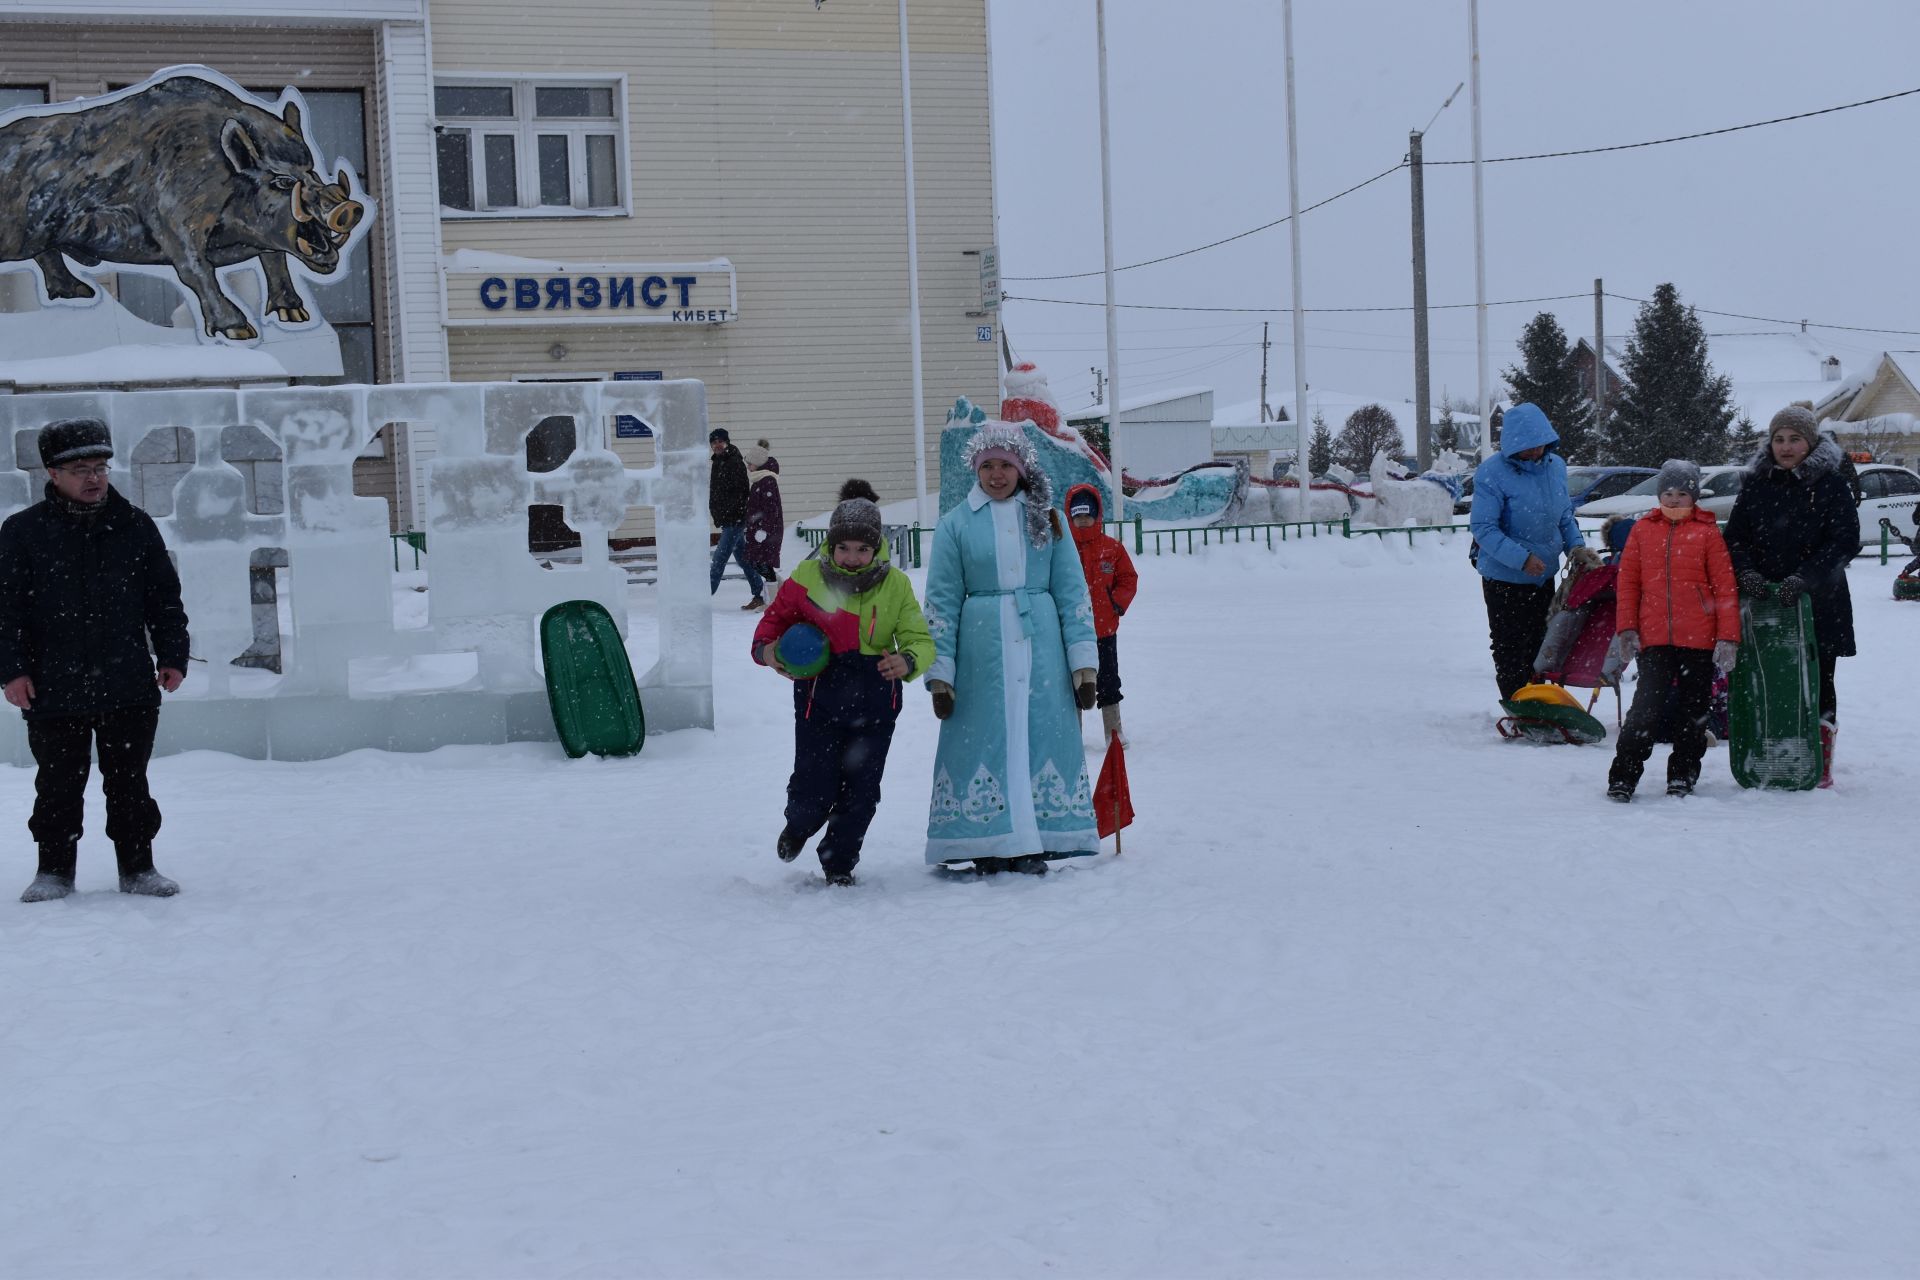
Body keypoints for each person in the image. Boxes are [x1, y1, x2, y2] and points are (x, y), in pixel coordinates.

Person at [0, 418, 191, 902]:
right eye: (81, 468)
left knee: (129, 784)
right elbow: (7, 610)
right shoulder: (23, 532)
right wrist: (12, 670)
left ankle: (138, 867)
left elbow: (164, 599)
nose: (94, 478)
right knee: (58, 786)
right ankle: (54, 872)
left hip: (127, 682)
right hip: (53, 685)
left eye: (101, 467)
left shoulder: (134, 525)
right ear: (52, 473)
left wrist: (172, 655)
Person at [922, 425, 1100, 875]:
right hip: (982, 654)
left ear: (1021, 469)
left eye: (1005, 465)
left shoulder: (1048, 520)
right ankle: (989, 839)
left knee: (1041, 733)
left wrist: (1084, 665)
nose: (997, 475)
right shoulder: (956, 524)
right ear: (975, 470)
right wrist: (941, 672)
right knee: (985, 739)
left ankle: (1037, 838)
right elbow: (940, 600)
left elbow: (1072, 591)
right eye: (988, 466)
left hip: (1042, 649)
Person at [751, 495, 932, 886]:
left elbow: (919, 638)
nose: (852, 557)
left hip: (876, 702)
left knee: (863, 792)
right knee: (814, 783)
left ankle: (838, 861)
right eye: (843, 548)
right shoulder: (807, 578)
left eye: (863, 548)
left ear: (877, 547)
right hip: (821, 698)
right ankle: (799, 825)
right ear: (831, 546)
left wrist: (909, 660)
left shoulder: (896, 584)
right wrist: (766, 650)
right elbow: (773, 622)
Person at [1723, 405, 1861, 787]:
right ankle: (1772, 747)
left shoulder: (1830, 484)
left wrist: (1807, 577)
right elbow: (1735, 537)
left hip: (1819, 600)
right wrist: (1746, 571)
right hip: (1766, 601)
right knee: (1768, 676)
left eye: (1794, 439)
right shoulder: (1756, 484)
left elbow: (1845, 540)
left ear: (1810, 441)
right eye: (1779, 439)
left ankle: (1819, 757)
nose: (1785, 447)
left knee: (1818, 677)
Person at [1605, 460, 1740, 801]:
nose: (1675, 499)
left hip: (1698, 640)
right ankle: (1624, 775)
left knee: (1693, 711)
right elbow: (1629, 585)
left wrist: (1727, 637)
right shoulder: (1642, 530)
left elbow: (1725, 588)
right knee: (1644, 710)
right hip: (1654, 640)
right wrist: (1626, 629)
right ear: (1659, 495)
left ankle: (1683, 773)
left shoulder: (1708, 533)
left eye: (1682, 493)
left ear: (1694, 496)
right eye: (1668, 493)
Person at [1468, 402, 1603, 702]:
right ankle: (1518, 702)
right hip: (1504, 578)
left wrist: (1577, 548)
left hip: (1544, 576)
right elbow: (1483, 527)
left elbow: (1565, 516)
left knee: (1542, 643)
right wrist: (1522, 559)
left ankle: (1541, 700)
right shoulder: (1492, 472)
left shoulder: (1556, 467)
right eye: (1527, 448)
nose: (1534, 453)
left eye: (1539, 446)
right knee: (1510, 644)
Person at [1064, 482, 1139, 744]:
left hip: (1104, 630)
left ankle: (1113, 732)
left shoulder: (1112, 548)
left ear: (1096, 515)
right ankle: (1073, 735)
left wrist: (1115, 604)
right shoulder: (1063, 549)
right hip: (1072, 633)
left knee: (1108, 681)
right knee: (1072, 684)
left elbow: (1128, 578)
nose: (1083, 521)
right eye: (1078, 516)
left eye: (1087, 515)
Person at [707, 427, 764, 607]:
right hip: (728, 520)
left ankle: (703, 599)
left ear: (727, 442)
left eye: (720, 441)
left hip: (734, 519)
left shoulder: (733, 462)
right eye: (713, 442)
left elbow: (741, 492)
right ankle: (760, 594)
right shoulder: (719, 461)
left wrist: (732, 514)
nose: (717, 445)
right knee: (744, 559)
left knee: (719, 559)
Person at [739, 438, 784, 608]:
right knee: (756, 562)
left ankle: (772, 604)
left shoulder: (767, 481)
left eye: (750, 463)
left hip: (767, 532)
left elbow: (771, 509)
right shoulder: (759, 480)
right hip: (757, 531)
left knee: (763, 564)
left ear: (758, 463)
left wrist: (763, 530)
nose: (748, 466)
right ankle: (781, 589)